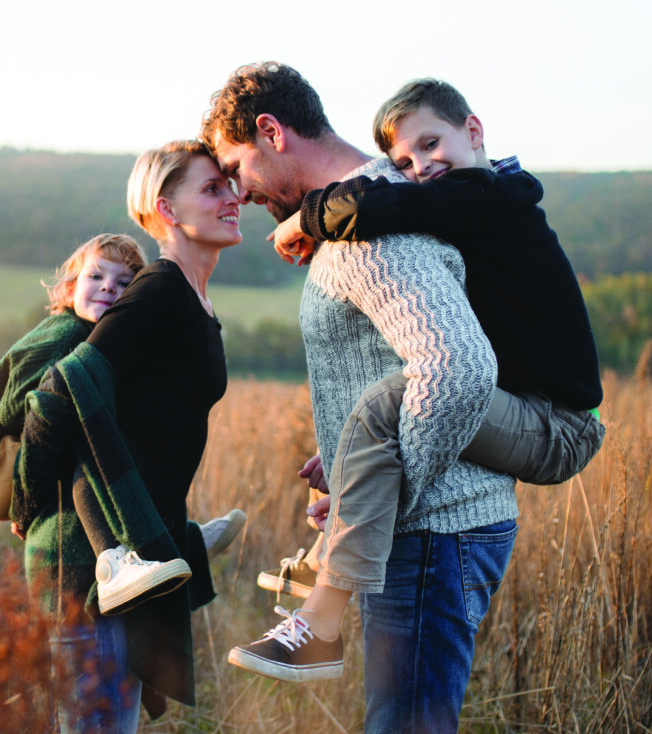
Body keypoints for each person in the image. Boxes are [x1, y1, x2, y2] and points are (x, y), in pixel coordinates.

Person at [233, 77, 606, 683]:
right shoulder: (463, 200)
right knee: (381, 413)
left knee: (386, 405)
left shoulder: (486, 194)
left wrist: (309, 217)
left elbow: (385, 207)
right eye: (405, 160)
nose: (421, 167)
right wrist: (354, 461)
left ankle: (322, 615)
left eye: (432, 144)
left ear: (475, 131)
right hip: (526, 414)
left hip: (559, 426)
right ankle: (323, 593)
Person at [203, 62, 517, 734]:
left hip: (434, 529)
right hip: (430, 528)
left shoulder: (367, 230)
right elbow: (399, 358)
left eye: (237, 168)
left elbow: (457, 367)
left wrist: (382, 490)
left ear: (270, 131)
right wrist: (350, 463)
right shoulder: (362, 210)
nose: (241, 191)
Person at [11, 140, 244, 732]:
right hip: (92, 559)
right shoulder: (159, 289)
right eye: (212, 188)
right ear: (167, 209)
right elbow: (63, 388)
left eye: (231, 184)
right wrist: (27, 496)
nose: (233, 195)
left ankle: (184, 541)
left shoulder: (192, 298)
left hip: (135, 547)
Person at [0, 234, 242, 616]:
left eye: (123, 284)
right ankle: (116, 560)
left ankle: (185, 543)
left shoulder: (96, 336)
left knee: (104, 425)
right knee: (90, 425)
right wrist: (25, 499)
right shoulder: (65, 333)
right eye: (96, 276)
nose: (108, 287)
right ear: (70, 288)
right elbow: (25, 406)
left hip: (26, 457)